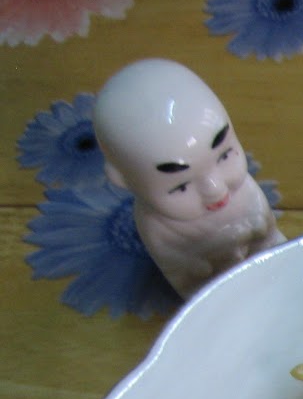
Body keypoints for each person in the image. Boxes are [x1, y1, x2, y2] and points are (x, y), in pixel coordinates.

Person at [94, 59, 285, 298]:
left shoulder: (243, 190)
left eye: (225, 156)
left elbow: (265, 226)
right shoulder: (158, 228)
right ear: (124, 180)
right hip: (214, 281)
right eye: (181, 187)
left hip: (262, 256)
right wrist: (211, 254)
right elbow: (183, 270)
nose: (215, 189)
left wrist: (259, 227)